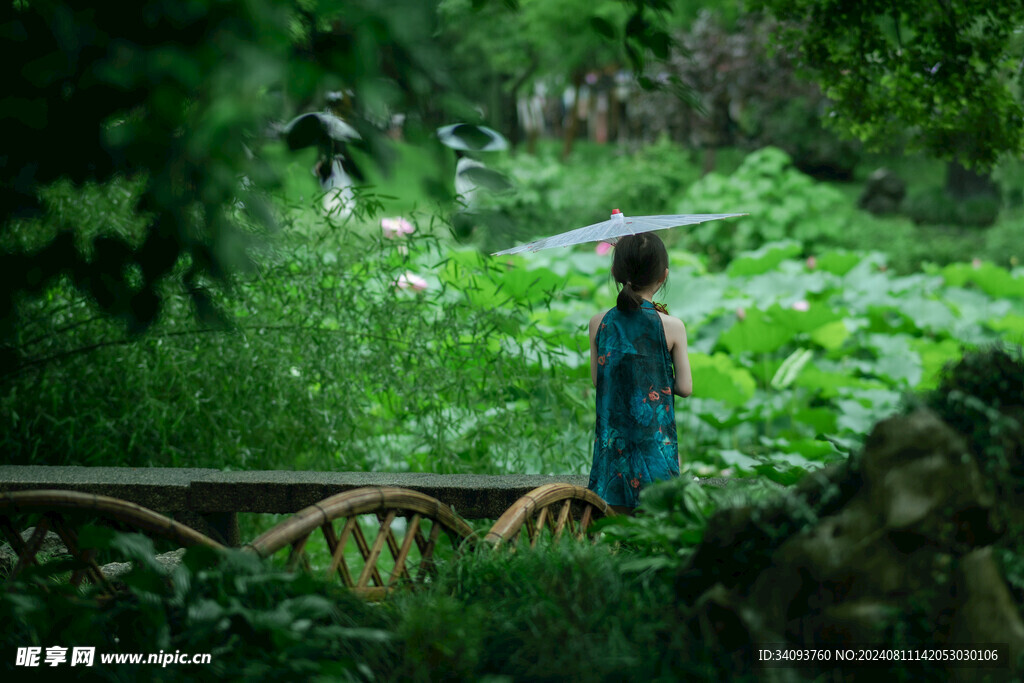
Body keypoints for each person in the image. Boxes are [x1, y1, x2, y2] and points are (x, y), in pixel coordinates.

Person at [587, 233, 693, 514]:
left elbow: (599, 380)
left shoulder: (599, 323)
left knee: (618, 536)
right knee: (655, 536)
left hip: (613, 461)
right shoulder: (672, 326)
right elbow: (685, 387)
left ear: (615, 273)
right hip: (657, 453)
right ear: (663, 276)